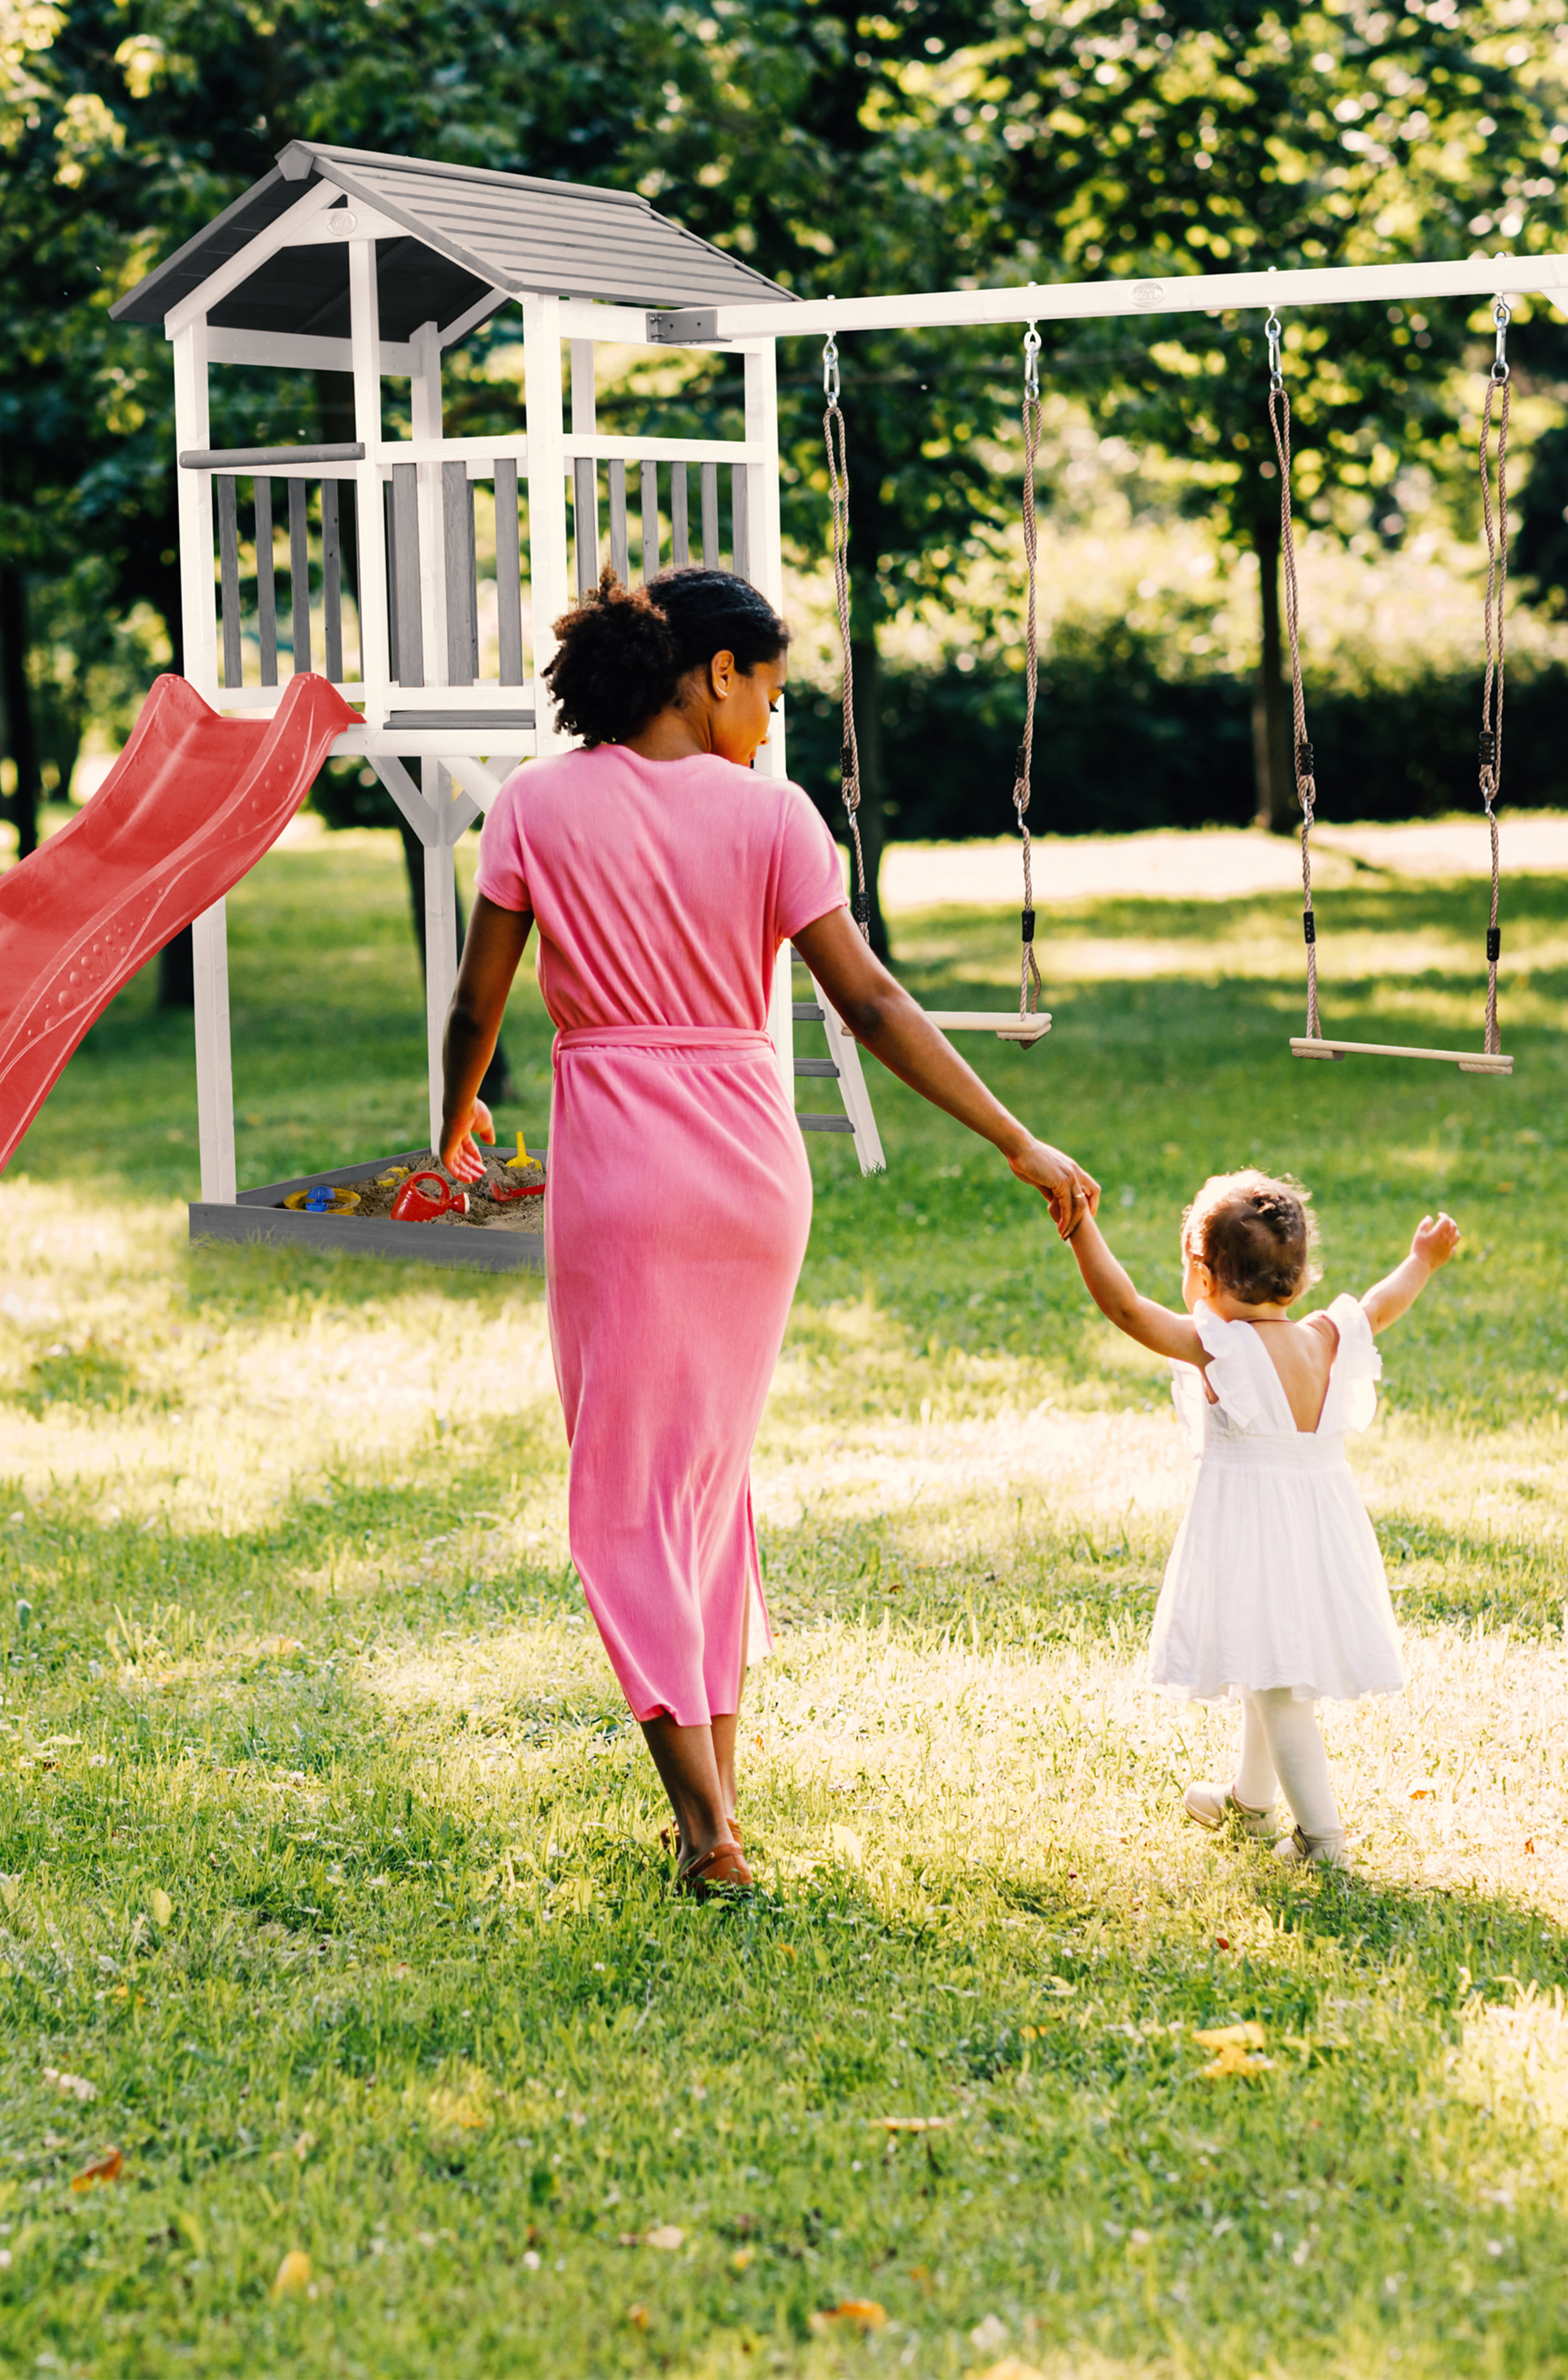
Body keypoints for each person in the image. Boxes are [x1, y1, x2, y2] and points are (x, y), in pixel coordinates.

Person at [436, 567, 1098, 1898]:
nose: (772, 723)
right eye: (772, 693)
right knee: (703, 1486)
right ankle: (718, 1804)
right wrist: (1013, 1136)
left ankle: (704, 1830)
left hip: (621, 1172)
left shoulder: (534, 806)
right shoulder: (775, 818)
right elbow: (872, 1004)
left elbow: (478, 1003)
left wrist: (449, 1125)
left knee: (627, 1497)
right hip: (750, 1173)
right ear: (715, 672)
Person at [1060, 1170, 1461, 1868]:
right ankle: (1250, 1803)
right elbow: (1381, 1303)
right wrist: (1421, 1260)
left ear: (1203, 1275)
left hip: (1256, 1534)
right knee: (1263, 1660)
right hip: (1319, 1531)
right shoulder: (1326, 1337)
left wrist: (1080, 1226)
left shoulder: (1220, 1349)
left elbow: (1125, 1308)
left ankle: (1322, 1840)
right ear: (1300, 1279)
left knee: (1277, 1687)